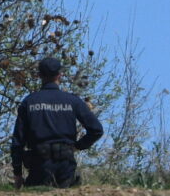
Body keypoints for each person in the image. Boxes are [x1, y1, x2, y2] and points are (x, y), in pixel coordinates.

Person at [10, 57, 104, 189]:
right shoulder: (72, 101)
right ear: (60, 75)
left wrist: (18, 174)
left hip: (39, 164)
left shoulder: (29, 102)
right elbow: (96, 130)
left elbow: (17, 142)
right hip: (65, 164)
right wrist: (77, 146)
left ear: (39, 75)